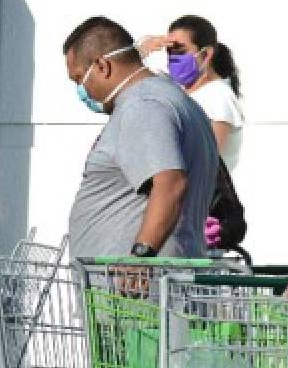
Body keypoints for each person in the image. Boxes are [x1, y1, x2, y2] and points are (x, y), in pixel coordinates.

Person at [63, 16, 218, 260]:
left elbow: (170, 183)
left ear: (103, 66)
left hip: (138, 291)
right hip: (141, 286)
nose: (82, 90)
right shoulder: (167, 98)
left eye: (79, 78)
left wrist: (141, 257)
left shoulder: (142, 105)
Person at [143, 15, 244, 172]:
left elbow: (205, 163)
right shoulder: (182, 89)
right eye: (169, 52)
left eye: (181, 51)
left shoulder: (219, 97)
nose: (173, 58)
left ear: (207, 53)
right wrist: (141, 51)